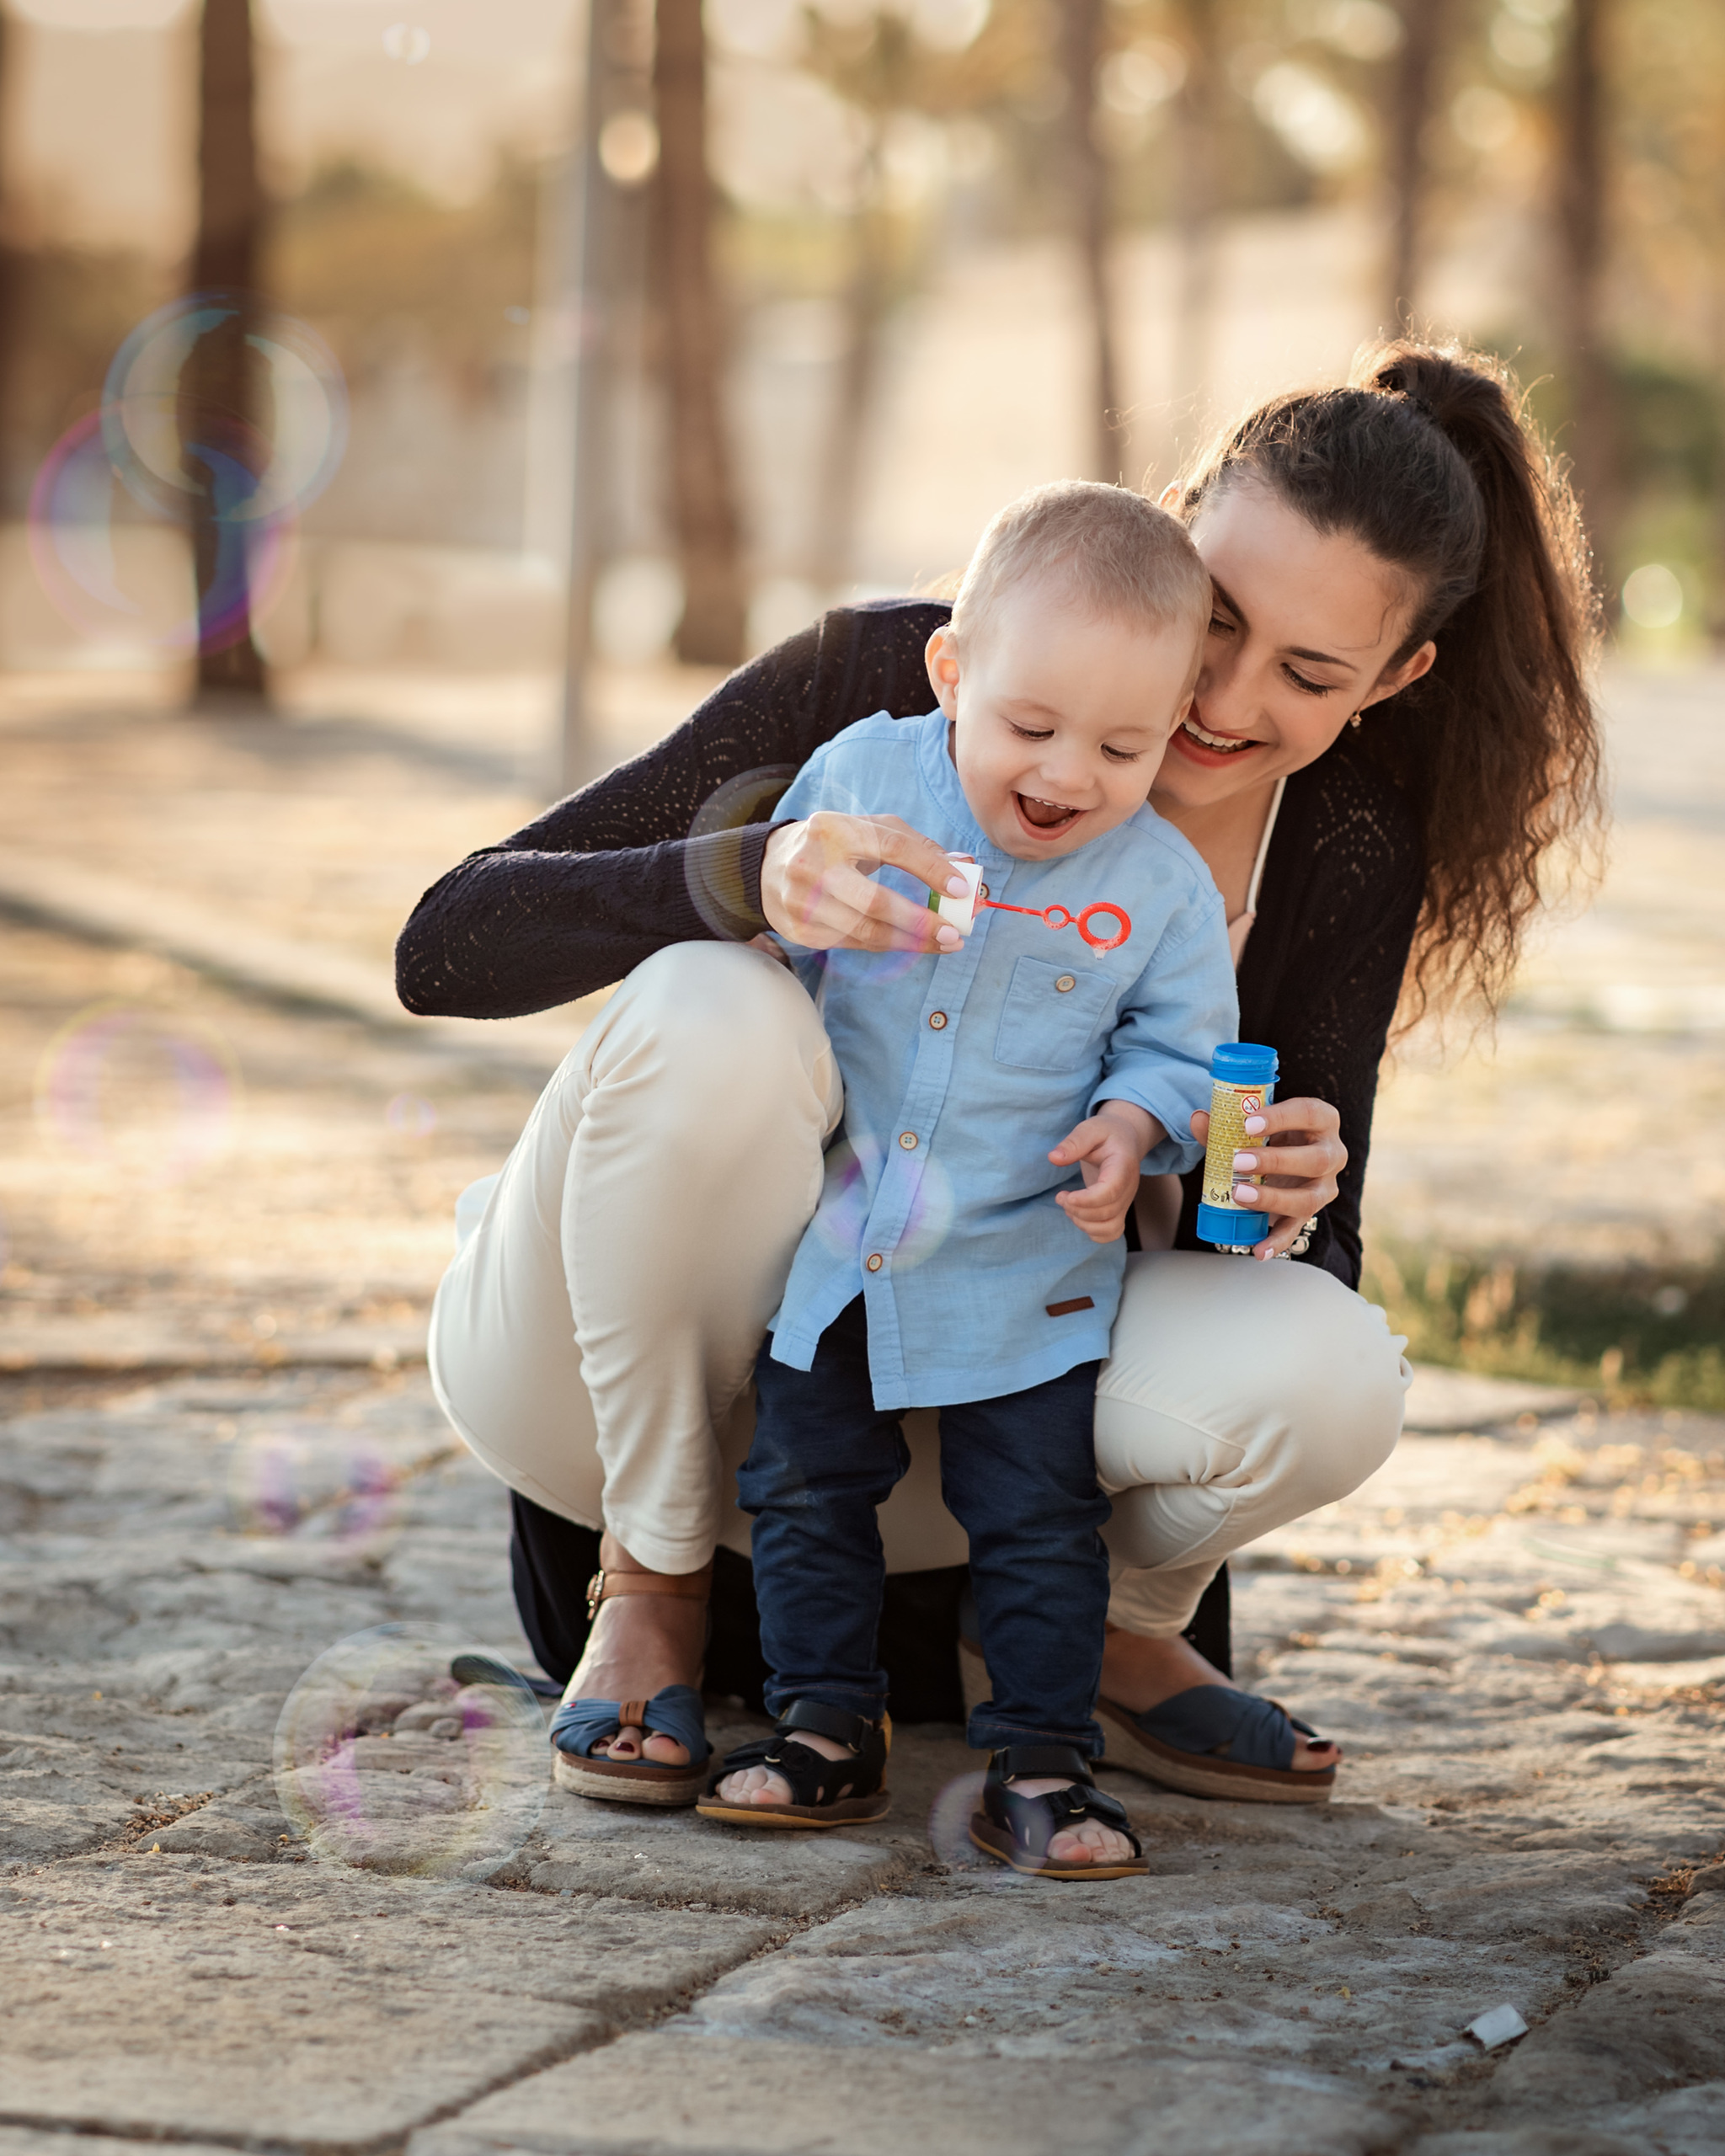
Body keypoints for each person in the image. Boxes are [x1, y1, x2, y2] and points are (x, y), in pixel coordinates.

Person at [397, 337, 1601, 1815]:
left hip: (961, 1414)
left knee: (1333, 1361)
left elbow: (1290, 1253)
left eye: (1307, 672)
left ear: (1396, 681)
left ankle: (1095, 1634)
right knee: (716, 1005)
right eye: (1216, 617)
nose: (1216, 698)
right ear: (1172, 524)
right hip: (638, 1391)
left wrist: (1278, 1200)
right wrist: (748, 874)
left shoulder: (1342, 847)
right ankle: (648, 1585)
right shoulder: (887, 680)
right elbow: (446, 945)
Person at [696, 483, 1231, 1876]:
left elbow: (1184, 1050)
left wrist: (1135, 1122)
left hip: (1024, 1264)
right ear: (953, 671)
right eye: (1031, 727)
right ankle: (825, 1730)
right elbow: (780, 959)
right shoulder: (863, 782)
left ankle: (1047, 1764)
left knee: (1042, 1520)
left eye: (1125, 744)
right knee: (805, 1488)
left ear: (1176, 729)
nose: (1068, 773)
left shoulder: (1162, 886)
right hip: (841, 1244)